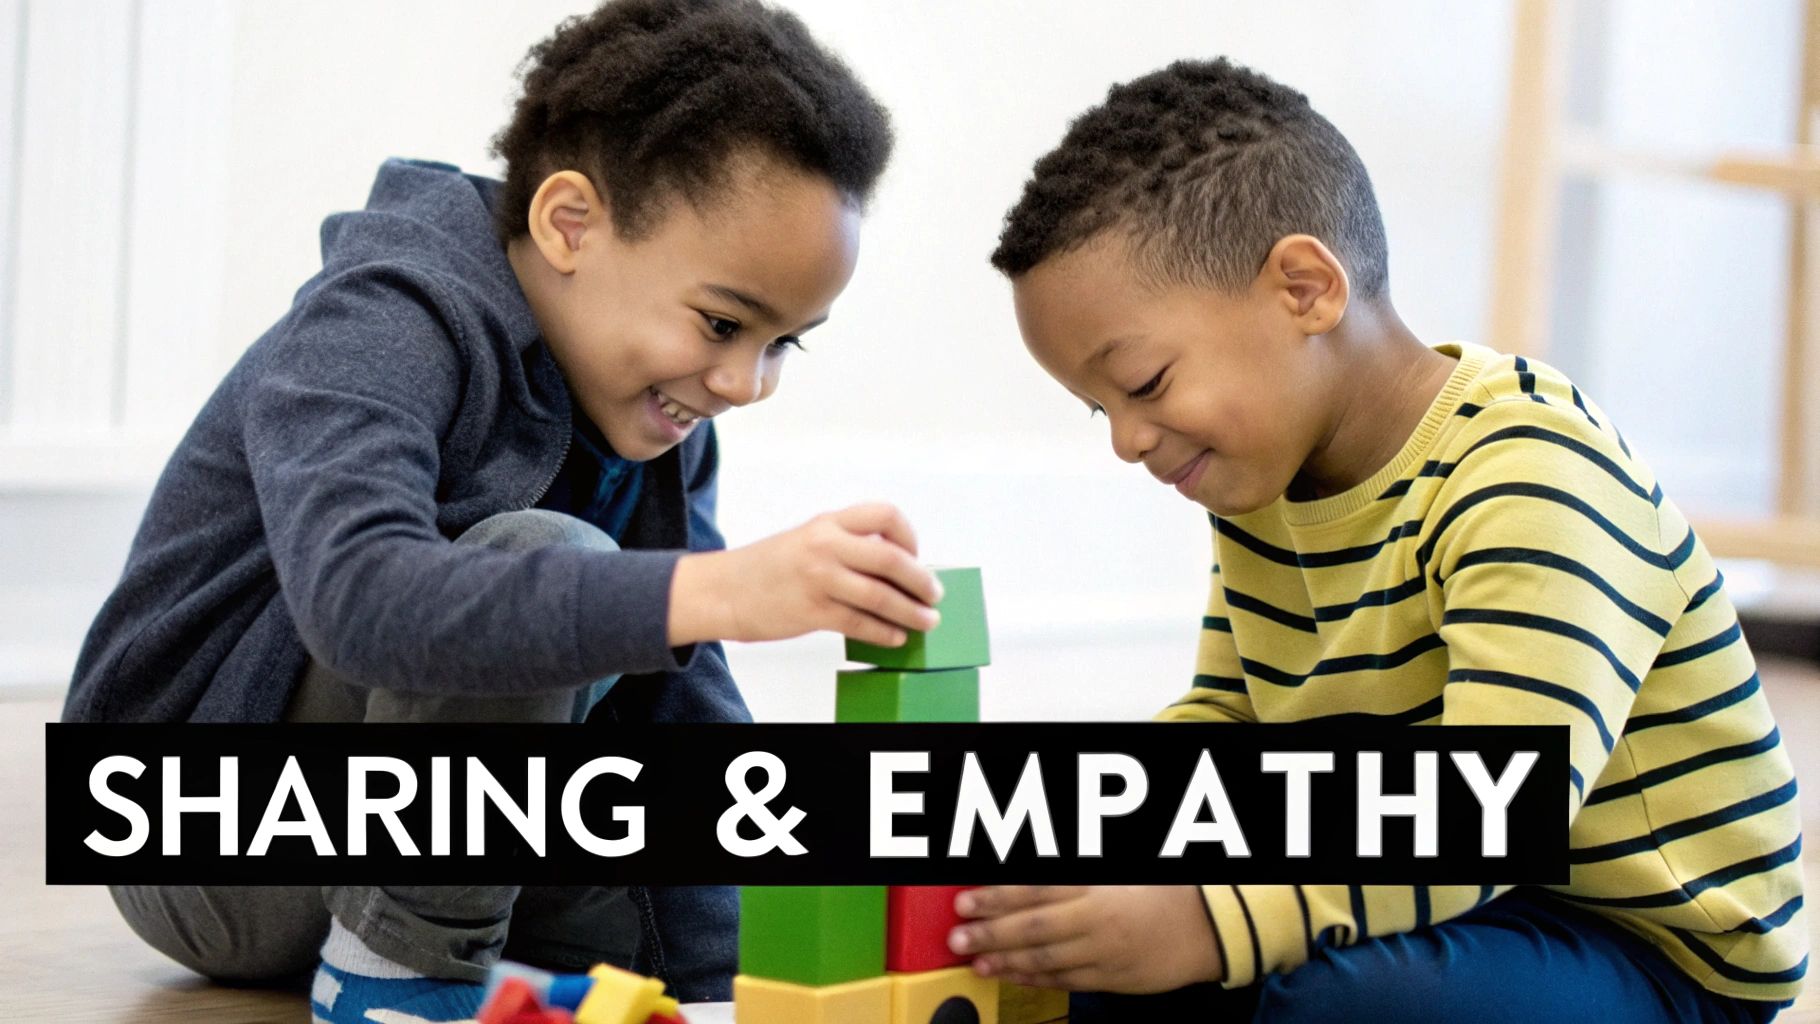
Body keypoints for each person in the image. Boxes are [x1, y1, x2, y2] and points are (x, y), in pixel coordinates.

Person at [62, 2, 942, 1021]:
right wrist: (713, 589)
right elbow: (361, 600)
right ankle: (399, 982)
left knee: (701, 932)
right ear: (569, 223)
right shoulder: (379, 319)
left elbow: (685, 699)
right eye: (722, 322)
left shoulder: (664, 414)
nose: (746, 382)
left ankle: (482, 952)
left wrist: (736, 980)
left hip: (428, 816)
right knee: (546, 554)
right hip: (208, 850)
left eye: (784, 342)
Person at [950, 57, 1805, 1023]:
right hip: (1414, 892)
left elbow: (1487, 811)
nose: (1126, 439)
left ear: (1306, 289)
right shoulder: (1262, 485)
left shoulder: (1530, 473)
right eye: (1093, 408)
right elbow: (1236, 725)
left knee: (1327, 1002)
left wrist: (1209, 923)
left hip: (1639, 947)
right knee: (1106, 962)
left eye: (1144, 384)